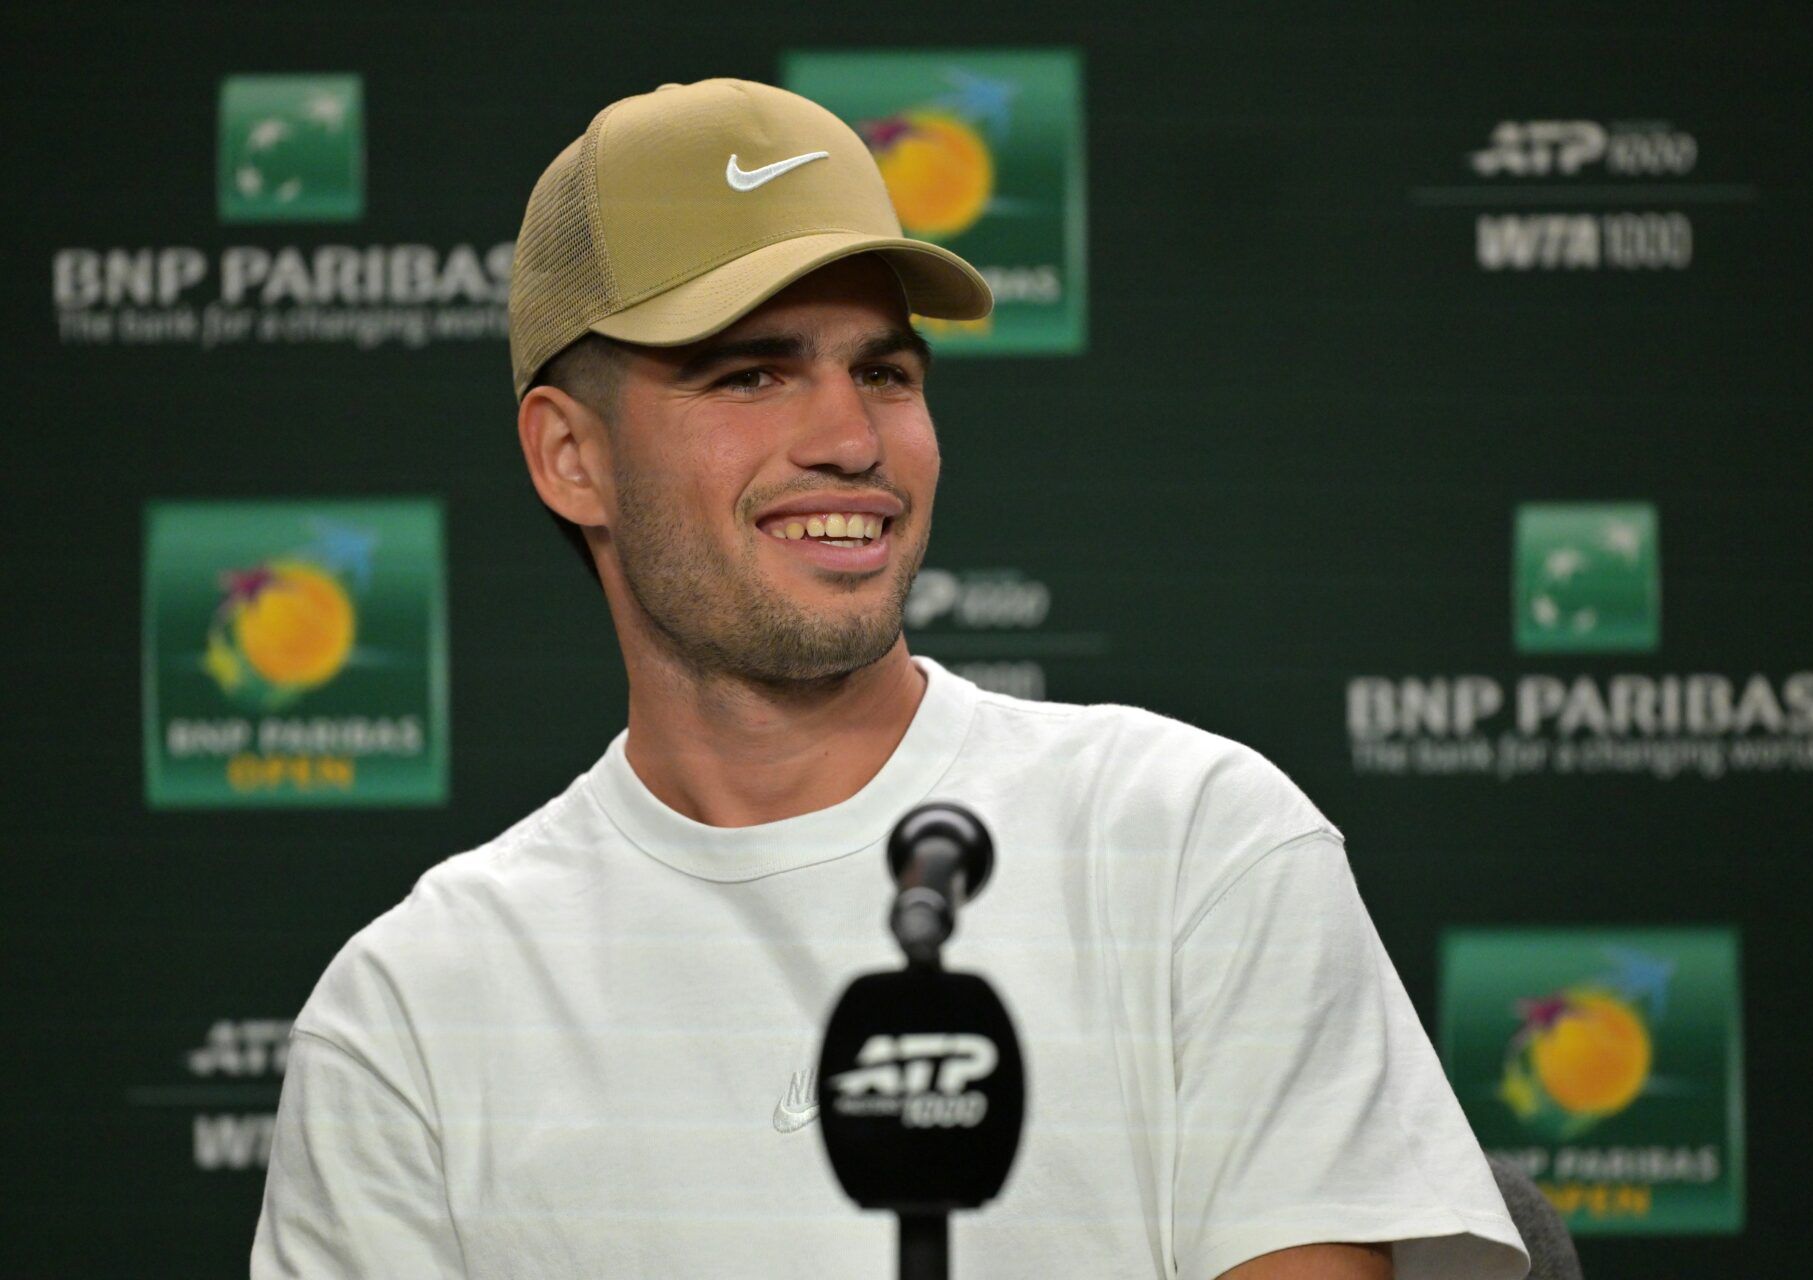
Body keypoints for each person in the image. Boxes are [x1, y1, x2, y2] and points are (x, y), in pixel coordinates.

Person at [252, 78, 1528, 1280]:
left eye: (884, 370)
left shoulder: (1191, 840)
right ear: (570, 456)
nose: (851, 439)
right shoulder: (412, 1015)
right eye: (750, 372)